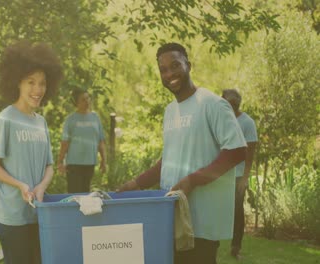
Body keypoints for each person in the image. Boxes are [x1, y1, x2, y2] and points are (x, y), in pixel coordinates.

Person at [117, 43, 247, 264]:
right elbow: (168, 160)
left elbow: (237, 151)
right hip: (173, 216)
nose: (169, 73)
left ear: (189, 65)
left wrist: (192, 180)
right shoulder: (170, 111)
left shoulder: (213, 104)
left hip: (202, 222)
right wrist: (136, 183)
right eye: (163, 69)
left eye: (175, 65)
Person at [0, 41, 63, 264]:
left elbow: (49, 165)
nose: (38, 90)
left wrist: (41, 186)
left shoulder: (42, 123)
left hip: (39, 214)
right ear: (17, 82)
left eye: (42, 83)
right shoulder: (5, 119)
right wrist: (20, 185)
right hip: (12, 218)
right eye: (31, 82)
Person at [222, 89, 258, 259]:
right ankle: (211, 246)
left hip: (237, 176)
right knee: (215, 210)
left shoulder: (247, 123)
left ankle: (235, 249)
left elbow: (250, 155)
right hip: (220, 174)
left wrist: (245, 178)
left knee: (237, 213)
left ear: (236, 105)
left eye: (230, 105)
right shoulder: (221, 120)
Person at [57, 88, 107, 193]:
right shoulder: (70, 120)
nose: (87, 101)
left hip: (90, 163)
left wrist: (103, 160)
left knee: (86, 195)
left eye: (88, 98)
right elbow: (65, 143)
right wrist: (60, 161)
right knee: (75, 195)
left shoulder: (95, 118)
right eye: (83, 100)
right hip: (74, 164)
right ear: (76, 103)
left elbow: (101, 141)